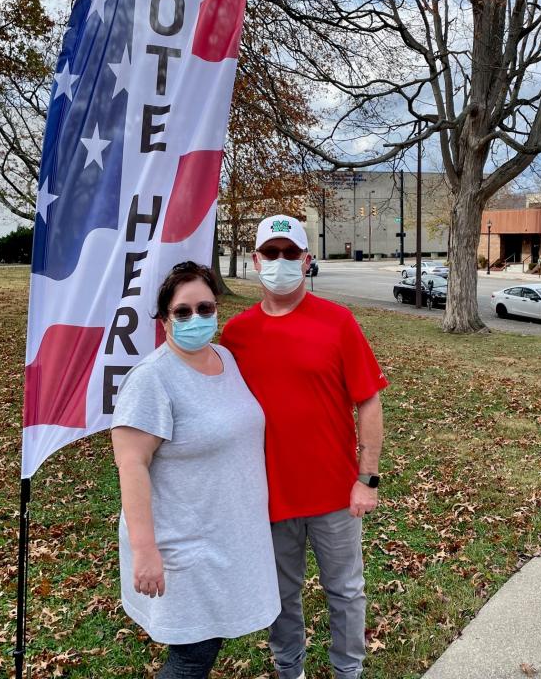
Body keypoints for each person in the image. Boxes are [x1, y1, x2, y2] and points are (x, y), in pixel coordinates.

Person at [221, 215, 388, 679]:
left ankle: (347, 671)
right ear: (256, 261)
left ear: (306, 260)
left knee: (346, 591)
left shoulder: (338, 322)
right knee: (279, 594)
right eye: (270, 254)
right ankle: (288, 668)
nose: (279, 262)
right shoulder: (235, 336)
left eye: (289, 253)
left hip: (336, 493)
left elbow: (369, 401)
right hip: (269, 495)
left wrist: (366, 478)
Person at [111, 261, 280, 679]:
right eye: (182, 312)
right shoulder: (152, 379)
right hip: (182, 543)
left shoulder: (225, 358)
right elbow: (131, 463)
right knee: (193, 654)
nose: (196, 319)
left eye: (205, 308)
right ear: (164, 319)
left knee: (209, 642)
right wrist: (145, 550)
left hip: (227, 536)